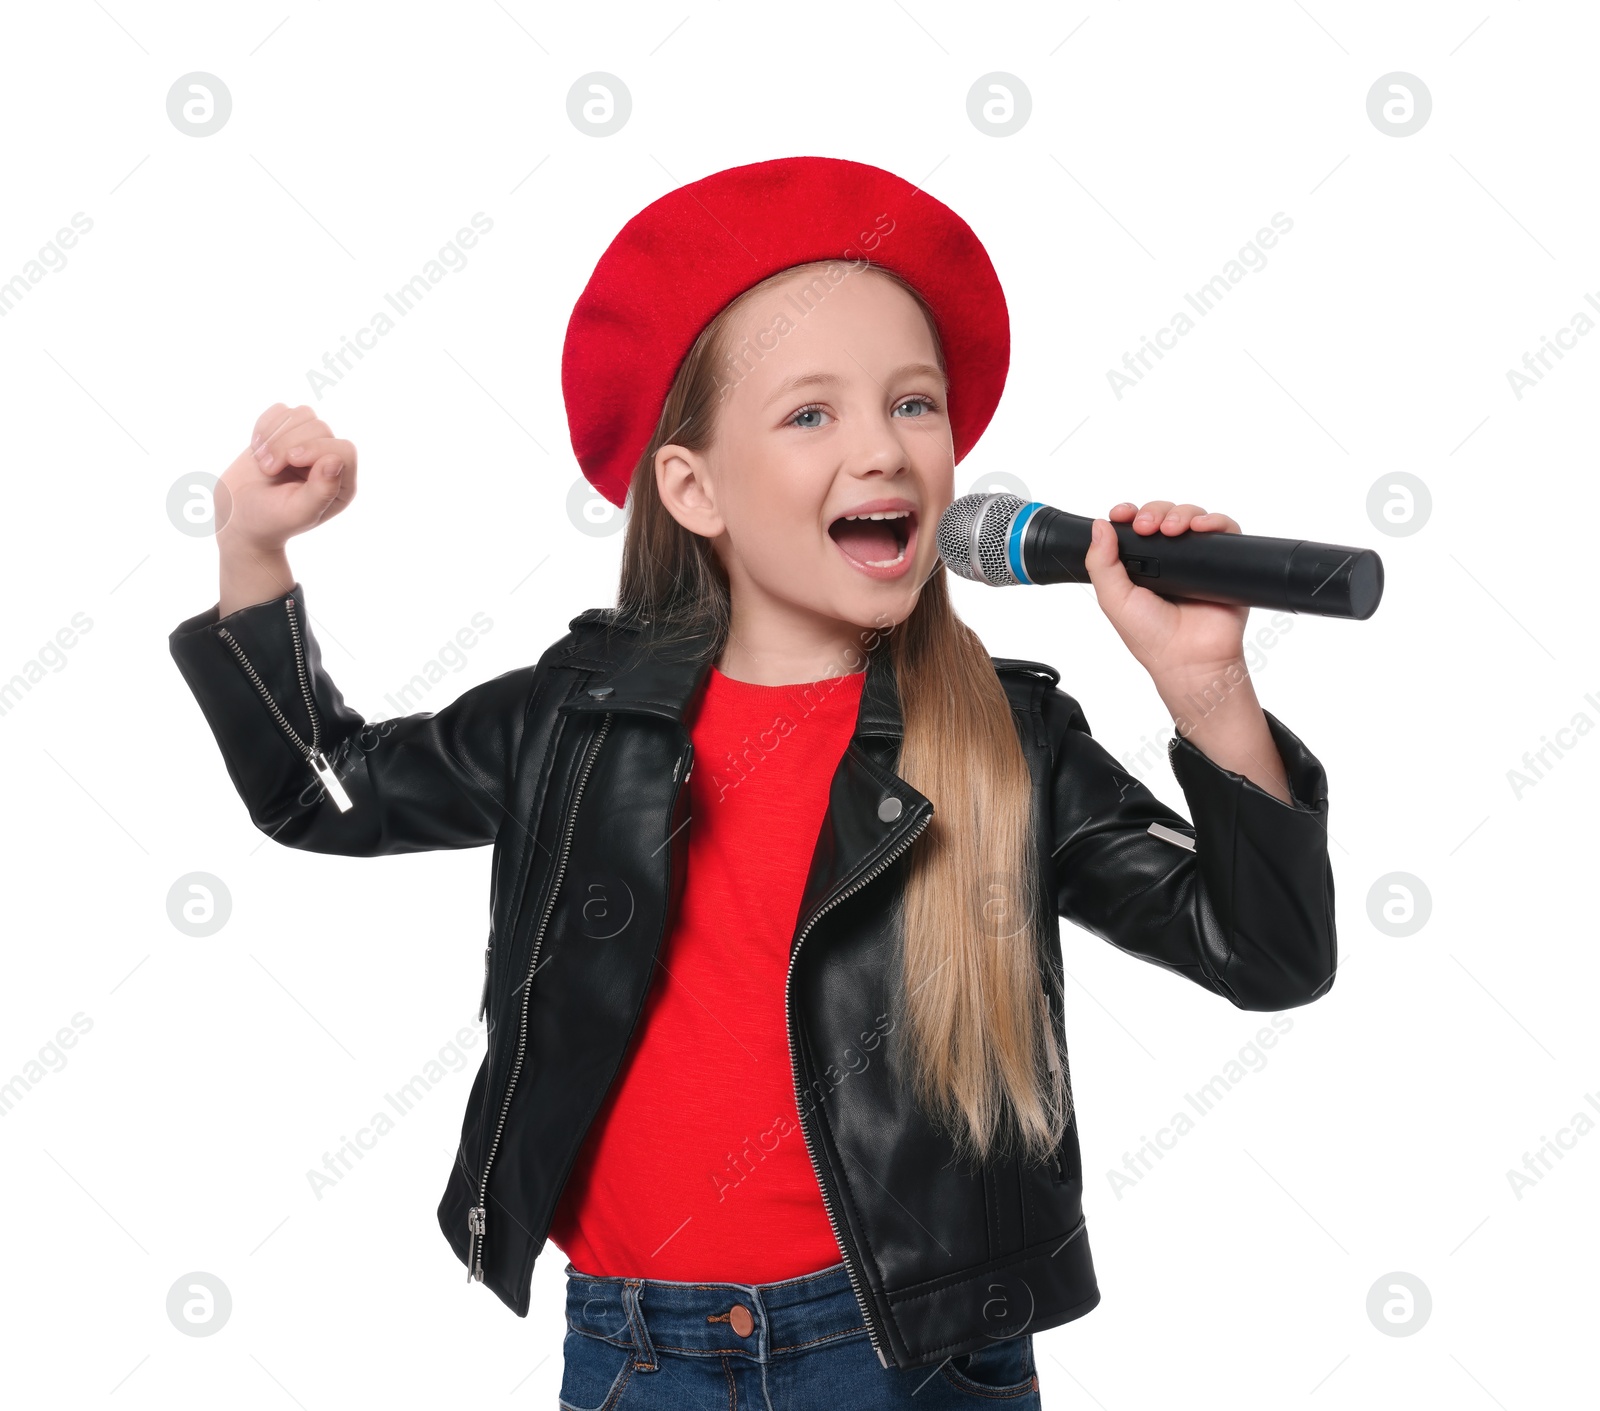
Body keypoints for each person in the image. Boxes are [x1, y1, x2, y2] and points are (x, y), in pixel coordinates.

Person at [170, 156, 1336, 1408]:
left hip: (908, 1354)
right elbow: (321, 793)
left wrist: (1207, 689)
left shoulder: (1005, 737)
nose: (882, 451)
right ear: (694, 487)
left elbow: (1264, 956)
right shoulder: (577, 716)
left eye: (913, 404)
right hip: (636, 1347)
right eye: (809, 415)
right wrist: (252, 550)